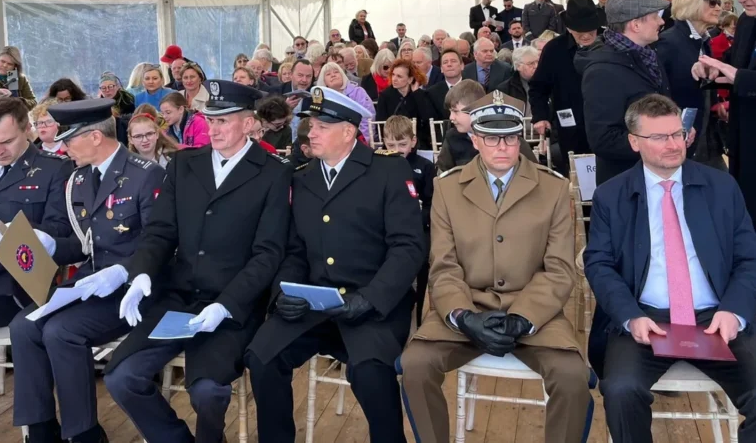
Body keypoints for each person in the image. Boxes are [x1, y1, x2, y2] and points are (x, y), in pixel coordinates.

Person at [104, 80, 290, 443]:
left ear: (249, 123)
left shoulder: (272, 172)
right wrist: (141, 274)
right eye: (210, 120)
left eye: (224, 121)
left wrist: (227, 305)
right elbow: (161, 231)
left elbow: (268, 253)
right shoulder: (184, 164)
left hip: (231, 304)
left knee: (208, 392)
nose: (213, 129)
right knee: (121, 377)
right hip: (178, 297)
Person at [401, 97, 591, 443]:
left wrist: (523, 318)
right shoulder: (447, 188)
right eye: (491, 137)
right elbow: (443, 266)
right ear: (474, 139)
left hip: (535, 312)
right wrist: (462, 316)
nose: (502, 147)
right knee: (415, 365)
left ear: (521, 138)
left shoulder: (552, 188)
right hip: (467, 306)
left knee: (572, 376)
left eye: (511, 137)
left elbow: (560, 270)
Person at [245, 86, 424, 443]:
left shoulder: (387, 170)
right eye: (311, 125)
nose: (310, 133)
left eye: (321, 127)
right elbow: (295, 249)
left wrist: (370, 299)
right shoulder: (303, 177)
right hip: (315, 303)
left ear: (348, 132)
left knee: (371, 372)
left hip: (372, 304)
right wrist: (283, 293)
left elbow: (408, 247)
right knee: (261, 356)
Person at [584, 94, 756, 442]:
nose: (674, 144)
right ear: (634, 142)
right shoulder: (611, 195)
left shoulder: (722, 186)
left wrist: (734, 311)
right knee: (621, 390)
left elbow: (748, 258)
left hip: (717, 316)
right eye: (659, 137)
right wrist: (630, 316)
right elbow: (599, 264)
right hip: (646, 318)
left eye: (678, 133)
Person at [9, 99, 163, 443]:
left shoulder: (145, 174)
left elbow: (162, 243)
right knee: (24, 325)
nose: (64, 147)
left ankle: (84, 434)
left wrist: (123, 271)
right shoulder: (79, 178)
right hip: (90, 282)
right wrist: (50, 244)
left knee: (60, 331)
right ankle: (41, 430)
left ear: (95, 137)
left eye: (70, 139)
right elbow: (84, 245)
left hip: (134, 289)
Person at [0, 98, 72, 327]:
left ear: (27, 130)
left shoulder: (54, 168)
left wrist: (12, 235)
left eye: (7, 141)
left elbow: (59, 229)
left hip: (17, 283)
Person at [578, 0, 675, 185]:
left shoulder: (649, 57)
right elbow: (603, 139)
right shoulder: (601, 71)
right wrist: (656, 142)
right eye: (655, 16)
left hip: (655, 177)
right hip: (625, 184)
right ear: (635, 24)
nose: (661, 21)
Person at [694, 0, 756, 221]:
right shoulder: (747, 22)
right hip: (744, 141)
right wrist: (711, 69)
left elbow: (740, 75)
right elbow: (734, 63)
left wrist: (738, 77)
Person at [529, 0, 601, 176]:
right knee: (578, 179)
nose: (586, 35)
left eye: (590, 30)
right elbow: (538, 87)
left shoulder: (611, 45)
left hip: (608, 127)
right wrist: (540, 116)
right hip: (571, 129)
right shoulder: (554, 49)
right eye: (579, 31)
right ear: (569, 28)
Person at [656, 0, 724, 168]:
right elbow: (658, 92)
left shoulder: (703, 41)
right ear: (691, 2)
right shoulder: (668, 43)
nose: (718, 8)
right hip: (682, 143)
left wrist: (716, 104)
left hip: (707, 140)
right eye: (712, 2)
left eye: (719, 2)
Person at [383, 115, 435, 327]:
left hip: (418, 229)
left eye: (402, 144)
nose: (397, 150)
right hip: (386, 230)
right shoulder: (379, 165)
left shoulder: (425, 166)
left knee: (424, 260)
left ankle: (422, 316)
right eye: (391, 145)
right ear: (384, 142)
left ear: (413, 142)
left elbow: (433, 205)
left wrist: (417, 215)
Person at [376, 58, 434, 149]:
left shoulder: (420, 95)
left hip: (417, 143)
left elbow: (428, 119)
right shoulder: (385, 96)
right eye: (393, 75)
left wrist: (416, 93)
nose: (394, 79)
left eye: (399, 76)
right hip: (393, 141)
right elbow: (380, 124)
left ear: (410, 79)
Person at [317, 62, 375, 142]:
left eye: (336, 72)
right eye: (328, 74)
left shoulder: (358, 92)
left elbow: (368, 118)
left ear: (342, 75)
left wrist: (362, 140)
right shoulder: (321, 98)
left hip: (358, 139)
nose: (333, 75)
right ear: (324, 81)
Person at [497, 45, 540, 115]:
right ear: (518, 66)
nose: (536, 66)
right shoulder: (505, 89)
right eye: (531, 63)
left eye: (538, 62)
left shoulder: (548, 84)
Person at [426, 48, 464, 120]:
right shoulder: (432, 93)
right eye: (445, 62)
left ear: (462, 66)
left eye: (453, 61)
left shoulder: (474, 88)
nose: (449, 64)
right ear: (441, 69)